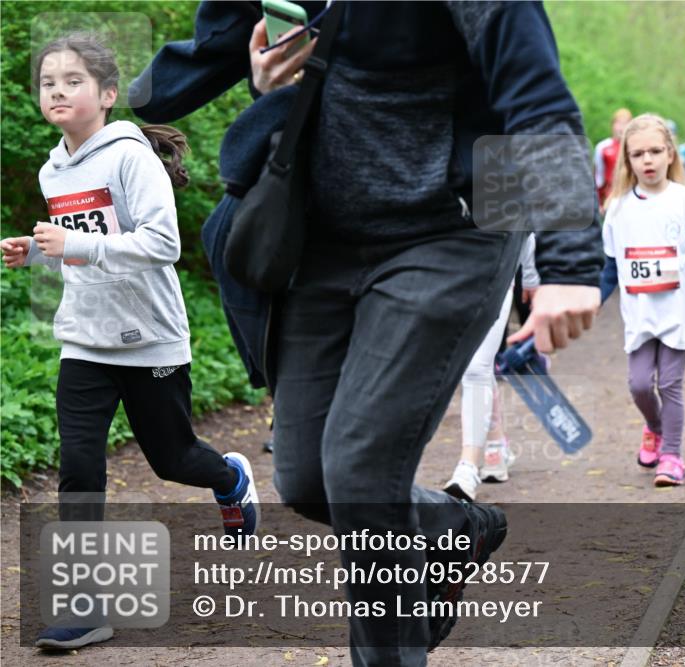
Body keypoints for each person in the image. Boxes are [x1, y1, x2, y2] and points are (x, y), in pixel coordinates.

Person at [130, 3, 603, 663]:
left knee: (359, 472)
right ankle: (452, 522)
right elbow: (214, 45)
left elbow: (535, 94)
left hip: (453, 230)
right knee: (305, 478)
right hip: (321, 236)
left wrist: (571, 260)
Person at [1, 33, 259, 650]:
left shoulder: (129, 157)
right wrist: (37, 250)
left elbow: (161, 244)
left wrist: (78, 245)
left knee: (172, 461)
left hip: (149, 341)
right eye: (47, 82)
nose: (57, 91)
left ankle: (228, 477)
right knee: (80, 467)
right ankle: (85, 605)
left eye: (73, 81)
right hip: (84, 341)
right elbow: (86, 246)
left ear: (108, 94)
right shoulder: (51, 167)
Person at [599, 114, 685, 486]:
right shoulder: (618, 208)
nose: (647, 160)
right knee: (640, 385)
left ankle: (672, 457)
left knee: (670, 385)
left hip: (678, 312)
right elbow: (610, 266)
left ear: (670, 154)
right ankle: (654, 427)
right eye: (638, 154)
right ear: (627, 161)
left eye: (655, 151)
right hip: (640, 313)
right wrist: (593, 302)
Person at [445, 236, 539, 502]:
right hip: (445, 277)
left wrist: (531, 276)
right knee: (475, 365)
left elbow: (524, 219)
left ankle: (467, 469)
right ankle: (496, 445)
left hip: (495, 276)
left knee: (476, 367)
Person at [594, 108, 633, 212]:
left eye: (625, 123)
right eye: (619, 123)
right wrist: (598, 202)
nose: (622, 127)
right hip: (610, 199)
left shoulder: (635, 147)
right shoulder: (602, 147)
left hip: (631, 197)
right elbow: (599, 177)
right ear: (613, 125)